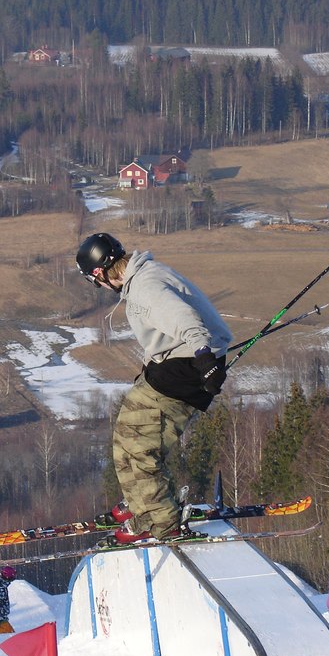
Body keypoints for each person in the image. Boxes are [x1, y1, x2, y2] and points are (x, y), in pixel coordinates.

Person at [76, 232, 232, 544]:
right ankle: (141, 502)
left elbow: (182, 317)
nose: (100, 287)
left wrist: (205, 357)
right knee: (125, 436)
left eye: (96, 282)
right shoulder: (143, 276)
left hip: (188, 366)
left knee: (141, 447)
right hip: (176, 363)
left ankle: (163, 521)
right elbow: (164, 329)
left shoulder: (144, 287)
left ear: (101, 273)